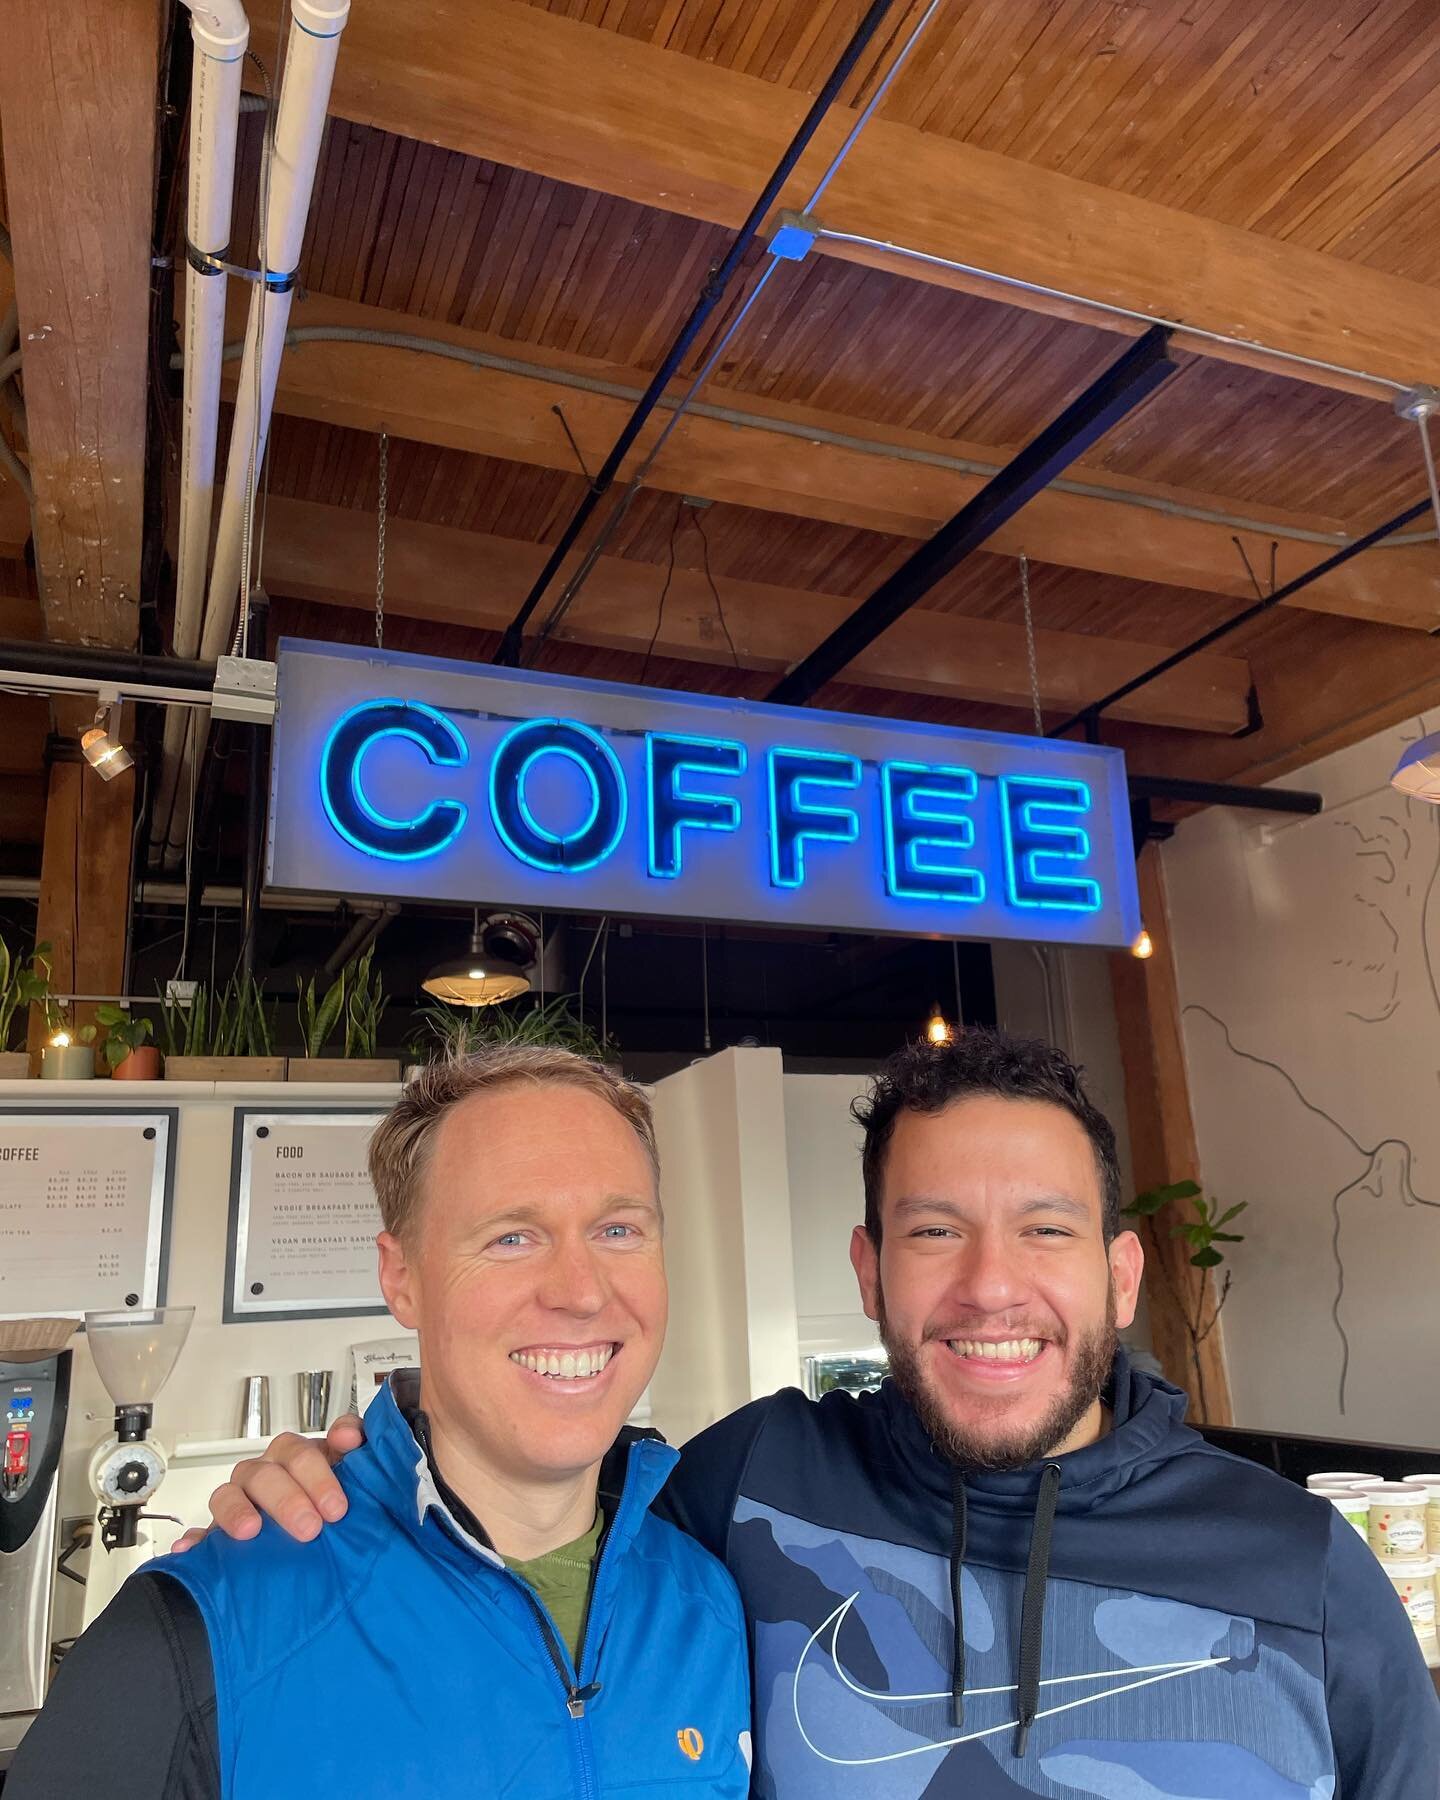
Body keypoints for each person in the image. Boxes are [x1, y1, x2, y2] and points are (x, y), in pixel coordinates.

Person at [182, 1030, 1438, 1794]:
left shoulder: (1303, 1570)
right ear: (868, 1270)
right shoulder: (754, 1480)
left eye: (1044, 1232)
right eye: (933, 1231)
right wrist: (323, 1487)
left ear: (1118, 1273)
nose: (990, 1285)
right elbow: (518, 1500)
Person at [8, 1046, 752, 1799]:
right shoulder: (196, 1632)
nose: (581, 1291)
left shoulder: (714, 1605)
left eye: (619, 1230)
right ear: (402, 1280)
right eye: (512, 1237)